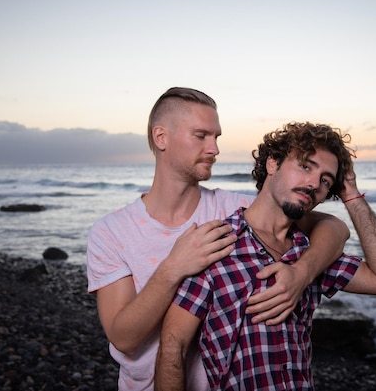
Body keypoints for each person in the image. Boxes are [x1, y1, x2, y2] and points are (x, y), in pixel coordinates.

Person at [87, 88, 350, 391]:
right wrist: (173, 268)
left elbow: (332, 227)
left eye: (217, 137)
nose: (214, 149)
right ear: (162, 138)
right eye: (201, 136)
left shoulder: (235, 209)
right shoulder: (111, 232)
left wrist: (302, 274)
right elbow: (124, 339)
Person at [154, 122, 376, 391]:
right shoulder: (217, 244)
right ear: (273, 164)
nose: (314, 183)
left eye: (326, 181)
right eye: (305, 166)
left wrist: (351, 194)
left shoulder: (311, 254)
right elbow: (174, 345)